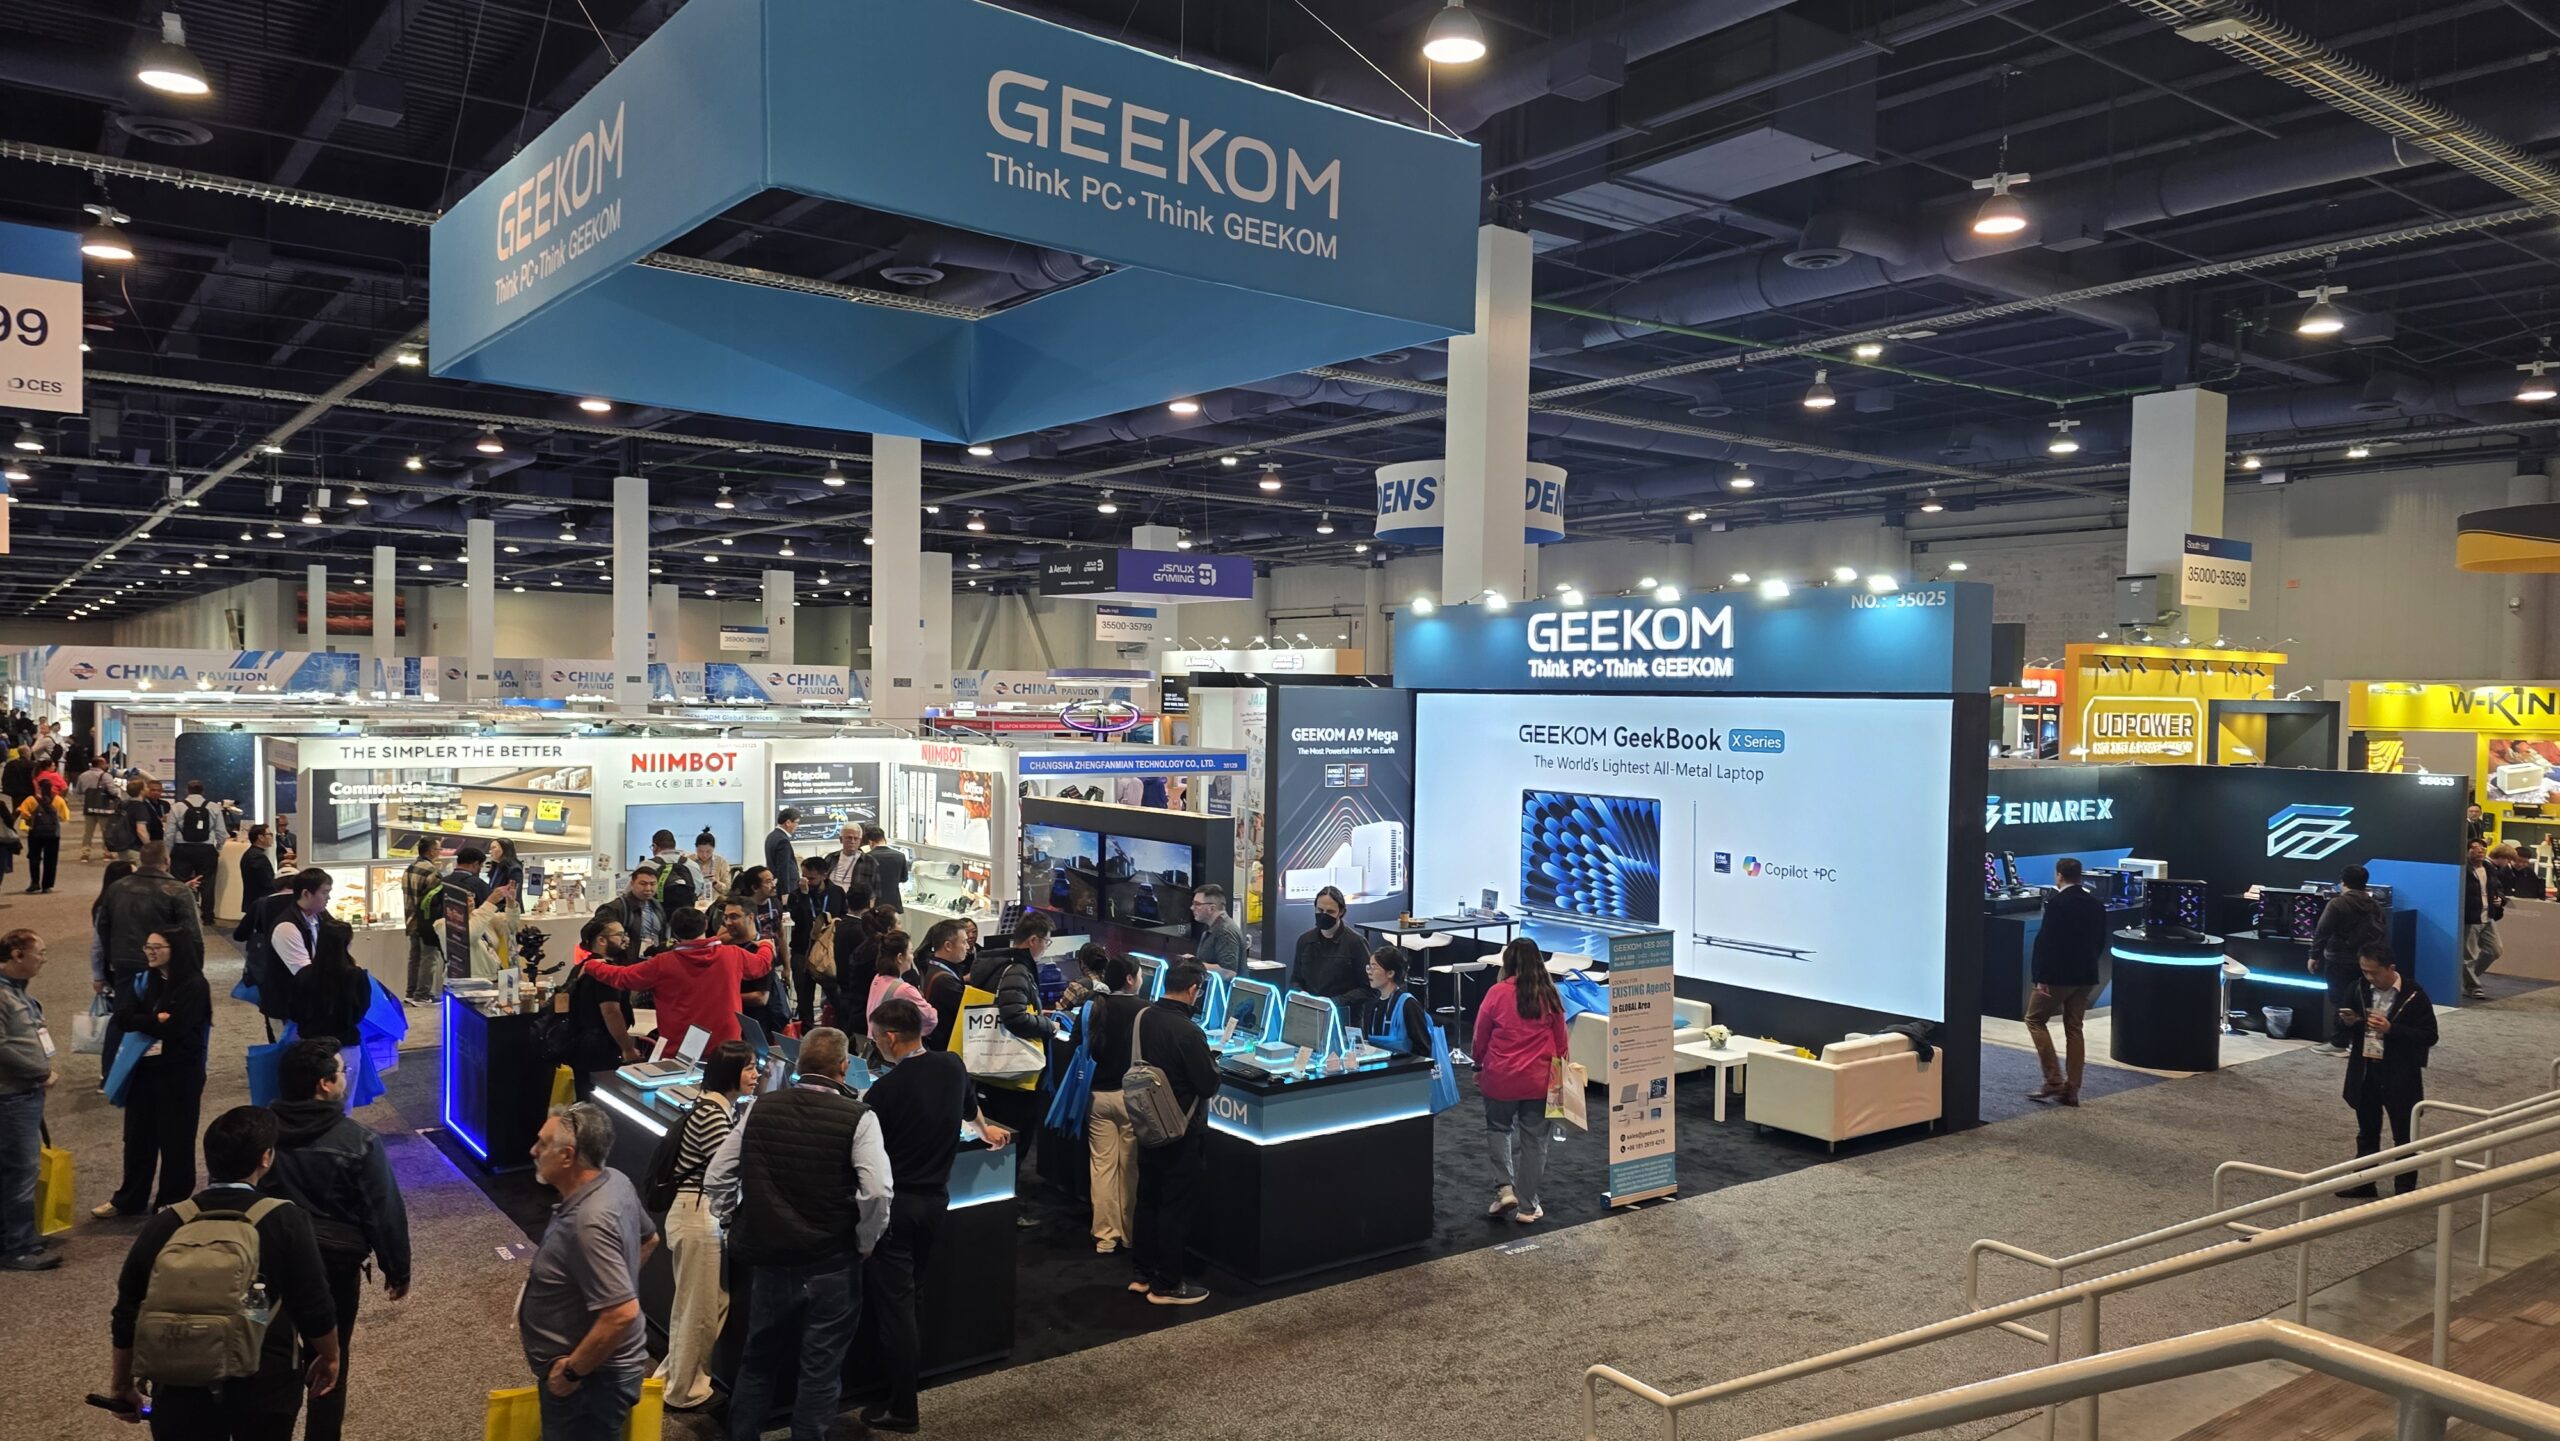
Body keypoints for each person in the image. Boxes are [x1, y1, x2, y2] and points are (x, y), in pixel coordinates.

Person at [106, 1106, 341, 1440]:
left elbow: (128, 1310)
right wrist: (330, 1356)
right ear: (265, 1158)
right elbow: (314, 1303)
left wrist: (122, 1384)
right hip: (264, 1380)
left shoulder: (168, 1222)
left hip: (180, 1384)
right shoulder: (285, 1220)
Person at [705, 1026, 891, 1441]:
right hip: (832, 1262)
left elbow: (718, 1174)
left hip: (772, 1260)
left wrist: (729, 1218)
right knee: (820, 1369)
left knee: (758, 1360)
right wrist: (866, 1241)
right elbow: (877, 1191)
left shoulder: (761, 1107)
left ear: (799, 1063)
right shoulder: (859, 1117)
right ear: (844, 1067)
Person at [858, 996, 1008, 1431]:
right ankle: (908, 1378)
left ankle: (902, 1406)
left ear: (890, 1037)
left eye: (875, 1039)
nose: (874, 1045)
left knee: (896, 1307)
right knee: (912, 1295)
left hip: (897, 1209)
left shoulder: (884, 1092)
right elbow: (970, 1109)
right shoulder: (952, 1065)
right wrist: (985, 1130)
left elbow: (866, 1154)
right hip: (935, 1202)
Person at [265, 1039, 412, 1441]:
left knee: (270, 1355)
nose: (347, 1076)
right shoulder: (358, 1140)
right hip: (333, 1268)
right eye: (342, 1072)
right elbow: (382, 1209)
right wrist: (397, 1269)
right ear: (325, 1085)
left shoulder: (260, 1132)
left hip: (266, 1264)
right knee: (330, 1360)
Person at [518, 1104, 655, 1441]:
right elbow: (649, 1239)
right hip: (599, 1374)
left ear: (567, 1156)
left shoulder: (588, 1223)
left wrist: (572, 1372)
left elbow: (622, 1313)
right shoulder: (616, 1181)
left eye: (543, 1144)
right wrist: (607, 1288)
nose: (533, 1151)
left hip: (591, 1381)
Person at [659, 1040, 756, 1412]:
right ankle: (684, 1391)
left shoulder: (713, 1107)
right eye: (749, 1068)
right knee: (698, 1310)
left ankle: (673, 1378)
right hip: (699, 1215)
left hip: (695, 1214)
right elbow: (726, 1170)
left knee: (706, 1304)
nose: (756, 1074)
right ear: (731, 1073)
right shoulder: (715, 1115)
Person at [97, 929, 213, 1218]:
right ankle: (129, 1199)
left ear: (177, 949)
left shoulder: (194, 985)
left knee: (176, 1139)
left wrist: (145, 1021)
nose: (150, 951)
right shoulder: (143, 980)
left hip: (180, 1074)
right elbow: (122, 1018)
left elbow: (176, 1028)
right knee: (137, 1138)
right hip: (143, 1069)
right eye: (148, 946)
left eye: (157, 947)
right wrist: (154, 1019)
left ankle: (172, 1201)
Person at [1129, 960, 1218, 1305]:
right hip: (1181, 1130)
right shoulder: (1188, 1032)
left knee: (1147, 1199)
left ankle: (1142, 1274)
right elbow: (1207, 1084)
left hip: (1147, 1123)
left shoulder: (1143, 1017)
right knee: (1174, 1208)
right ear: (1193, 990)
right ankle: (1167, 1284)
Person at [575, 905, 774, 1049]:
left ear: (675, 932)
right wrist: (766, 944)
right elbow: (762, 964)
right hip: (726, 1047)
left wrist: (592, 965)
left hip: (680, 1049)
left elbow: (623, 977)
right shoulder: (733, 955)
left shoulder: (662, 963)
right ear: (705, 925)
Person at [1472, 938, 1570, 1226]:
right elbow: (1562, 1043)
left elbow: (1480, 1035)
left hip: (1500, 1077)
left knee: (1498, 1129)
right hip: (1539, 1081)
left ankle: (1504, 1190)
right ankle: (1527, 1206)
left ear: (1508, 962)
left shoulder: (1496, 993)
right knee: (1535, 1142)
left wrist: (1478, 1065)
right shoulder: (1550, 995)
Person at [2334, 942, 2439, 1198]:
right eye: (2364, 971)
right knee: (2367, 1132)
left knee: (2404, 1134)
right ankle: (2364, 1182)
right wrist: (2350, 1022)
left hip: (2401, 1074)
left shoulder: (2415, 994)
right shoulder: (2357, 988)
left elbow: (2429, 1036)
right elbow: (2342, 1029)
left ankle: (2404, 1188)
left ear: (2390, 968)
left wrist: (2391, 1029)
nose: (2369, 977)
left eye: (2374, 972)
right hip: (2365, 1070)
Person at [969, 912, 1062, 1185]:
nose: (1045, 948)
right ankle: (1007, 1196)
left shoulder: (991, 963)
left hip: (988, 1064)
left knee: (995, 1135)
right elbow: (1014, 1016)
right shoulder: (1017, 970)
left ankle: (992, 1194)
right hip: (1012, 1071)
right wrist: (1047, 1025)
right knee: (1014, 1137)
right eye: (1046, 942)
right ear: (1033, 940)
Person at [1077, 954, 1147, 1255]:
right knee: (1130, 1168)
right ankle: (1130, 1234)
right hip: (1130, 1098)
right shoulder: (1145, 1010)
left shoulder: (1096, 1006)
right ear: (1130, 979)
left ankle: (1106, 1236)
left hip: (1097, 1097)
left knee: (1102, 1166)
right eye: (1140, 974)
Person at [2026, 857, 2107, 1105]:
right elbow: (2100, 941)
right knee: (2074, 1028)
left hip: (2058, 976)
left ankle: (2053, 1080)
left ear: (2059, 875)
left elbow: (2046, 943)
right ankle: (2072, 1089)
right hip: (2086, 975)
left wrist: (2040, 976)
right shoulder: (2095, 904)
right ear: (2080, 876)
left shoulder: (2057, 904)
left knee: (2034, 1020)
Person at [0, 928, 59, 1271]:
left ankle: (15, 1236)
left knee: (16, 1169)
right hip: (12, 1097)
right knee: (21, 1171)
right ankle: (19, 1247)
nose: (44, 960)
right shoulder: (3, 995)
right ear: (17, 955)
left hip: (23, 1094)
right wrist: (40, 1072)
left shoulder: (17, 991)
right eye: (41, 953)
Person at [561, 919, 644, 1097]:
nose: (625, 939)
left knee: (584, 1095)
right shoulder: (604, 971)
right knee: (602, 1097)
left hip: (579, 1043)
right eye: (619, 935)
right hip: (599, 1048)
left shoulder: (581, 967)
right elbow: (611, 1012)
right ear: (601, 940)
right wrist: (627, 1048)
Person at [2311, 865, 2389, 1052]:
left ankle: (2339, 1042)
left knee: (2340, 1000)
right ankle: (2360, 1042)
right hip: (2366, 962)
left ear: (2343, 882)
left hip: (2339, 959)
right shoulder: (2375, 906)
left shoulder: (2337, 904)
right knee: (2366, 1000)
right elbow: (2382, 933)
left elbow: (2322, 931)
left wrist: (2314, 955)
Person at [288, 915, 374, 1050]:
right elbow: (360, 1011)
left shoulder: (303, 975)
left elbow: (294, 1011)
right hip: (345, 1042)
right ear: (347, 944)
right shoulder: (357, 976)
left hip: (309, 1043)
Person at [787, 855, 849, 1027]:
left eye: (811, 878)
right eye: (804, 877)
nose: (806, 881)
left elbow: (842, 917)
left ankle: (843, 1032)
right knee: (804, 998)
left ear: (824, 875)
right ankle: (807, 1033)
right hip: (803, 950)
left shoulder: (837, 892)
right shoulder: (796, 895)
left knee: (836, 996)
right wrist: (804, 896)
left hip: (828, 951)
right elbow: (800, 918)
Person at [1291, 885, 1370, 1007]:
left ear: (1341, 912)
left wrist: (1335, 1002)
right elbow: (1296, 980)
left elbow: (1368, 989)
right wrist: (1301, 993)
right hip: (1311, 1011)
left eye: (1330, 912)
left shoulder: (1356, 943)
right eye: (1320, 910)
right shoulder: (1305, 941)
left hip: (1342, 1013)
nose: (1324, 915)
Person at [1358, 949, 1436, 1056]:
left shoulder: (1409, 1005)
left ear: (1390, 973)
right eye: (1369, 967)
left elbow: (1423, 1049)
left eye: (1374, 967)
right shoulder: (1373, 1005)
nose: (1369, 972)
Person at [168, 780, 225, 923]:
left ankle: (179, 914)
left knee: (180, 882)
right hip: (206, 849)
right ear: (203, 791)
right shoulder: (213, 807)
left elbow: (169, 833)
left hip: (182, 849)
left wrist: (168, 852)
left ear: (187, 790)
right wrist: (217, 848)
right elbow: (221, 833)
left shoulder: (177, 807)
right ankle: (208, 916)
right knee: (207, 884)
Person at [866, 928, 935, 1042]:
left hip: (877, 1042)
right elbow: (931, 1019)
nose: (912, 957)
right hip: (897, 1046)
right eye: (910, 952)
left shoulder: (878, 978)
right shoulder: (904, 990)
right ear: (900, 957)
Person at [399, 837, 445, 1004]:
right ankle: (423, 994)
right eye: (439, 849)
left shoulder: (410, 868)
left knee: (415, 957)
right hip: (427, 922)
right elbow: (436, 899)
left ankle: (410, 993)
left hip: (411, 920)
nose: (440, 852)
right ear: (431, 851)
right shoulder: (431, 871)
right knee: (428, 958)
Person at [915, 919, 972, 1053]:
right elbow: (967, 1010)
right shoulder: (944, 981)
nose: (968, 947)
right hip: (946, 1046)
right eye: (964, 942)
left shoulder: (934, 967)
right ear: (948, 946)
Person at [270, 867, 334, 980]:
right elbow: (304, 974)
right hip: (292, 989)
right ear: (306, 894)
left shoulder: (321, 915)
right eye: (324, 892)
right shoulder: (286, 928)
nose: (329, 898)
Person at [592, 865, 666, 956]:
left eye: (653, 884)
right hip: (624, 961)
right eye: (643, 884)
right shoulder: (616, 908)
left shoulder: (657, 906)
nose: (648, 888)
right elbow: (591, 934)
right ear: (632, 884)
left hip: (651, 959)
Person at [14, 776, 65, 895]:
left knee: (34, 858)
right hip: (53, 834)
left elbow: (23, 812)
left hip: (35, 833)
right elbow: (64, 816)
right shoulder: (58, 800)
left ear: (39, 788)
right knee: (51, 860)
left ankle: (34, 883)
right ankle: (47, 885)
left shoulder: (31, 799)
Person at [2461, 840, 2499, 1000]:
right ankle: (2473, 986)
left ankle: (2467, 978)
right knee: (2468, 956)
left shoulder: (2489, 868)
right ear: (2467, 851)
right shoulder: (2464, 870)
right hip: (2471, 917)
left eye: (2483, 848)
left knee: (2494, 950)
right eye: (2475, 848)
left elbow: (2497, 888)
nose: (2480, 850)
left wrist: (2500, 899)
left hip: (2487, 916)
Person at [469, 875, 521, 981]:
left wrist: (510, 903)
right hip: (472, 981)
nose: (470, 900)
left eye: (471, 895)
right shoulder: (443, 924)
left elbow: (511, 926)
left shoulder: (485, 917)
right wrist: (490, 902)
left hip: (496, 975)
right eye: (465, 896)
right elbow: (472, 934)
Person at [1189, 884, 1246, 974]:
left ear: (1211, 908)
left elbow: (1228, 972)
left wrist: (1193, 965)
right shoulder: (1211, 928)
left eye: (1197, 904)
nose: (1192, 908)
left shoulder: (1225, 932)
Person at [74, 756, 117, 862]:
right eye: (105, 763)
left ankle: (85, 853)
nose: (106, 765)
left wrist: (84, 801)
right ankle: (107, 852)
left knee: (88, 832)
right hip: (104, 808)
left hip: (89, 807)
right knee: (106, 831)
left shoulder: (83, 775)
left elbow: (78, 791)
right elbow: (113, 792)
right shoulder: (106, 776)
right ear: (100, 764)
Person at [860, 825, 910, 914]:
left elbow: (863, 882)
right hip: (893, 903)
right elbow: (904, 879)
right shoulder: (900, 856)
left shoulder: (867, 857)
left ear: (870, 842)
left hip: (873, 904)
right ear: (884, 839)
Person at [238, 823, 278, 908]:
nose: (272, 837)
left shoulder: (251, 853)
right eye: (270, 834)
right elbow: (267, 881)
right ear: (261, 837)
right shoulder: (257, 857)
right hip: (261, 903)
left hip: (255, 902)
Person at [761, 807, 801, 892]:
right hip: (787, 887)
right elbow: (783, 868)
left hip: (776, 883)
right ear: (788, 822)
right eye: (796, 822)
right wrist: (785, 892)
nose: (797, 826)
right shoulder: (783, 840)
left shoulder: (771, 836)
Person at [688, 830, 731, 904]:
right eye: (700, 851)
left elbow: (727, 890)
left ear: (714, 848)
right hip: (693, 903)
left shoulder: (721, 862)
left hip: (715, 904)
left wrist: (715, 882)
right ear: (696, 848)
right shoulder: (688, 861)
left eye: (708, 851)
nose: (704, 855)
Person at [442, 844, 491, 909]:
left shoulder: (443, 881)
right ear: (475, 864)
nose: (481, 868)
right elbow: (487, 909)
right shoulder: (479, 885)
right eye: (481, 865)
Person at [826, 824, 867, 896]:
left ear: (860, 841)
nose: (852, 841)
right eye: (849, 838)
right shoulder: (830, 858)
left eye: (856, 838)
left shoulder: (869, 861)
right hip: (833, 899)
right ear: (841, 839)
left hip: (856, 901)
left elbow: (875, 890)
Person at [489, 837, 526, 903]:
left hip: (505, 907)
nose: (490, 851)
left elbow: (512, 895)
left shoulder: (514, 869)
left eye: (493, 848)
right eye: (490, 849)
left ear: (505, 849)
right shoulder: (496, 866)